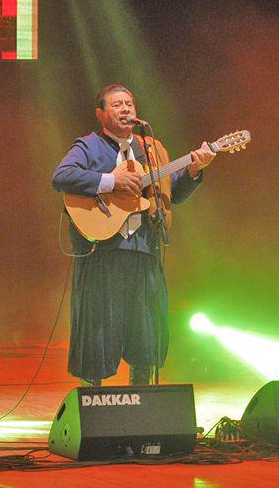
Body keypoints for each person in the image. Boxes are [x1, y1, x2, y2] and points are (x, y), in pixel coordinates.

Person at [52, 84, 214, 386]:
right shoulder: (89, 145)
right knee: (99, 329)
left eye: (129, 103)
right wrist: (109, 181)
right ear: (100, 113)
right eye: (117, 105)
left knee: (146, 329)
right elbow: (61, 176)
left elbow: (171, 195)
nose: (126, 109)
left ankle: (141, 401)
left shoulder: (152, 148)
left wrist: (194, 170)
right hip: (102, 252)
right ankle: (94, 404)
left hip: (144, 250)